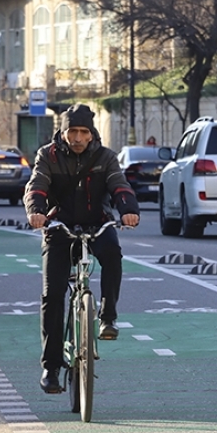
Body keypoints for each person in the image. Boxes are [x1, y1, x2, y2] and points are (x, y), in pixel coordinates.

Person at [24, 103, 140, 394]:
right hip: (59, 228)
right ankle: (51, 367)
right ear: (62, 133)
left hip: (96, 224)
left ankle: (108, 317)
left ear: (91, 134)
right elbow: (37, 185)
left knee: (113, 254)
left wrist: (128, 210)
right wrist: (36, 211)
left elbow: (119, 186)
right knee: (53, 296)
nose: (77, 138)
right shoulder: (47, 156)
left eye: (83, 132)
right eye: (71, 131)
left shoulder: (105, 158)